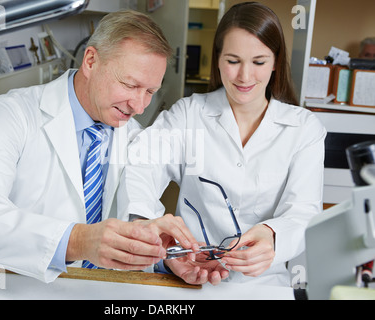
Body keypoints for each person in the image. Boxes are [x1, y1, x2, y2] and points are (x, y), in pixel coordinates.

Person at [0, 10, 198, 283]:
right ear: (90, 61)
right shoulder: (14, 114)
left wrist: (166, 261)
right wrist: (77, 240)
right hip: (20, 287)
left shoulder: (137, 138)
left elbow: (136, 228)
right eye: (129, 84)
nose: (139, 106)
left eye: (149, 91)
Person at [118, 2, 326, 287]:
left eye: (259, 62)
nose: (244, 76)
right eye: (233, 60)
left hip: (264, 283)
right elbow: (142, 165)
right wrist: (150, 227)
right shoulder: (189, 114)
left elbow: (304, 211)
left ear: (276, 62)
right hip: (189, 276)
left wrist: (272, 235)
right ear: (217, 59)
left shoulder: (303, 128)